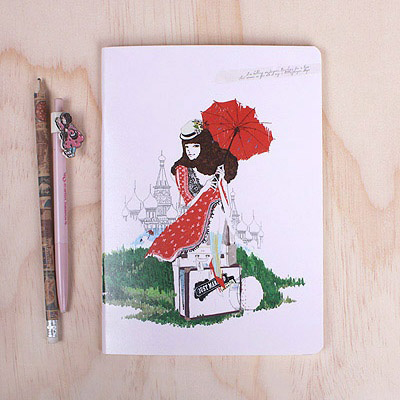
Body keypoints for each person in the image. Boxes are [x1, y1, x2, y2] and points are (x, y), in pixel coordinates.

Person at [146, 120, 238, 288]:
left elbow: (224, 200)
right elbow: (188, 200)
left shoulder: (211, 167)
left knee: (218, 208)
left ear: (204, 146)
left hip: (214, 213)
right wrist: (206, 188)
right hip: (195, 215)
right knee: (215, 209)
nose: (190, 151)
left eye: (195, 146)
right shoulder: (182, 169)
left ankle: (216, 264)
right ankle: (215, 265)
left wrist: (221, 177)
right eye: (187, 146)